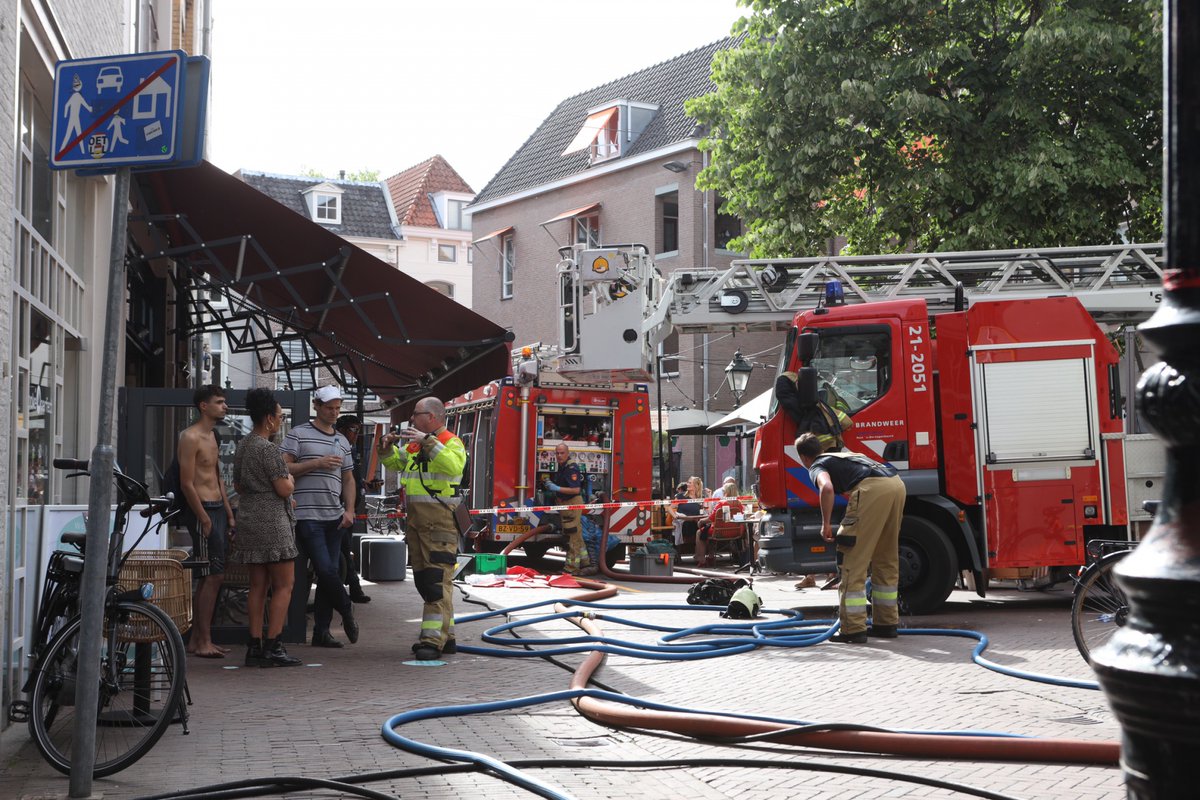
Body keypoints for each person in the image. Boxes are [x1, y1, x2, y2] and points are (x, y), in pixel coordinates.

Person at [378, 397, 467, 661]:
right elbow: (396, 463)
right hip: (418, 523)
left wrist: (428, 442)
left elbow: (453, 466)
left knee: (435, 582)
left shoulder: (452, 441)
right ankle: (446, 636)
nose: (412, 419)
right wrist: (386, 449)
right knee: (427, 580)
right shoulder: (416, 444)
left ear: (432, 416)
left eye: (416, 414)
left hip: (439, 522)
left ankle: (431, 640)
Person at [794, 432, 905, 643]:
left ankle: (852, 629)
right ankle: (886, 624)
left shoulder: (816, 466)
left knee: (852, 559)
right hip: (896, 485)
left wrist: (826, 524)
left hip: (872, 490)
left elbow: (826, 487)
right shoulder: (845, 455)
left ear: (804, 457)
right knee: (886, 558)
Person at [282, 385, 359, 648]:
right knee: (326, 569)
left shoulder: (343, 440)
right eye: (329, 408)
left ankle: (321, 632)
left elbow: (348, 478)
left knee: (332, 570)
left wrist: (349, 510)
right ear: (316, 406)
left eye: (338, 408)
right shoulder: (298, 434)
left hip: (334, 516)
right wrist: (316, 463)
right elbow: (283, 468)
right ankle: (347, 610)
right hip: (307, 514)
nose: (335, 413)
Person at [232, 388, 301, 667]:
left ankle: (254, 646)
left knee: (257, 586)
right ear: (269, 419)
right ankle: (274, 645)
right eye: (280, 417)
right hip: (272, 521)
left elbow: (237, 485)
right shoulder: (269, 449)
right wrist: (290, 483)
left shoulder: (243, 445)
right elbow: (284, 488)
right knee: (285, 584)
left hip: (249, 519)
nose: (281, 421)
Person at [178, 385, 236, 658]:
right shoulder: (189, 437)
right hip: (202, 510)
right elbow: (186, 483)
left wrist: (228, 512)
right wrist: (202, 516)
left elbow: (217, 478)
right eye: (219, 402)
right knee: (210, 575)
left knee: (215, 575)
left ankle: (201, 639)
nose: (225, 406)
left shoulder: (212, 436)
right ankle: (201, 641)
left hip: (218, 510)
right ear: (203, 406)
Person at [542, 443, 596, 576]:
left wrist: (556, 488)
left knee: (572, 537)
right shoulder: (562, 467)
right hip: (566, 504)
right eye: (557, 453)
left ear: (568, 453)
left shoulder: (571, 468)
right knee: (577, 535)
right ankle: (585, 562)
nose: (559, 456)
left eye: (562, 453)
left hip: (572, 504)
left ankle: (571, 568)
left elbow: (576, 489)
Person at [334, 414, 371, 604]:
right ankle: (353, 590)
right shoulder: (338, 448)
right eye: (353, 430)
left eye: (358, 430)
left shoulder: (349, 449)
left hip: (347, 511)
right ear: (341, 430)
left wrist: (364, 485)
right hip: (339, 512)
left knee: (344, 552)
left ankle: (353, 589)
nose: (357, 435)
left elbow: (352, 479)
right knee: (343, 552)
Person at [776, 369, 853, 452]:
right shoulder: (820, 405)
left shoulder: (785, 382)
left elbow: (793, 409)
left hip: (821, 445)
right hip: (828, 442)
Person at [695, 480, 744, 567]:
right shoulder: (739, 504)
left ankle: (702, 559)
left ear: (726, 492)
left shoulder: (721, 503)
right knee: (708, 532)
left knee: (700, 532)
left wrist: (701, 521)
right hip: (736, 532)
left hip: (719, 532)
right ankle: (711, 556)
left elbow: (711, 518)